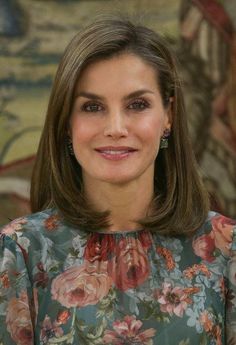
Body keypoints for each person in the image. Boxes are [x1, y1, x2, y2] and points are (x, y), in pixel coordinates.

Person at [0, 16, 235, 345]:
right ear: (67, 121)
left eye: (137, 104)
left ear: (168, 115)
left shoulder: (227, 250)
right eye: (92, 106)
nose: (115, 127)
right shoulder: (20, 252)